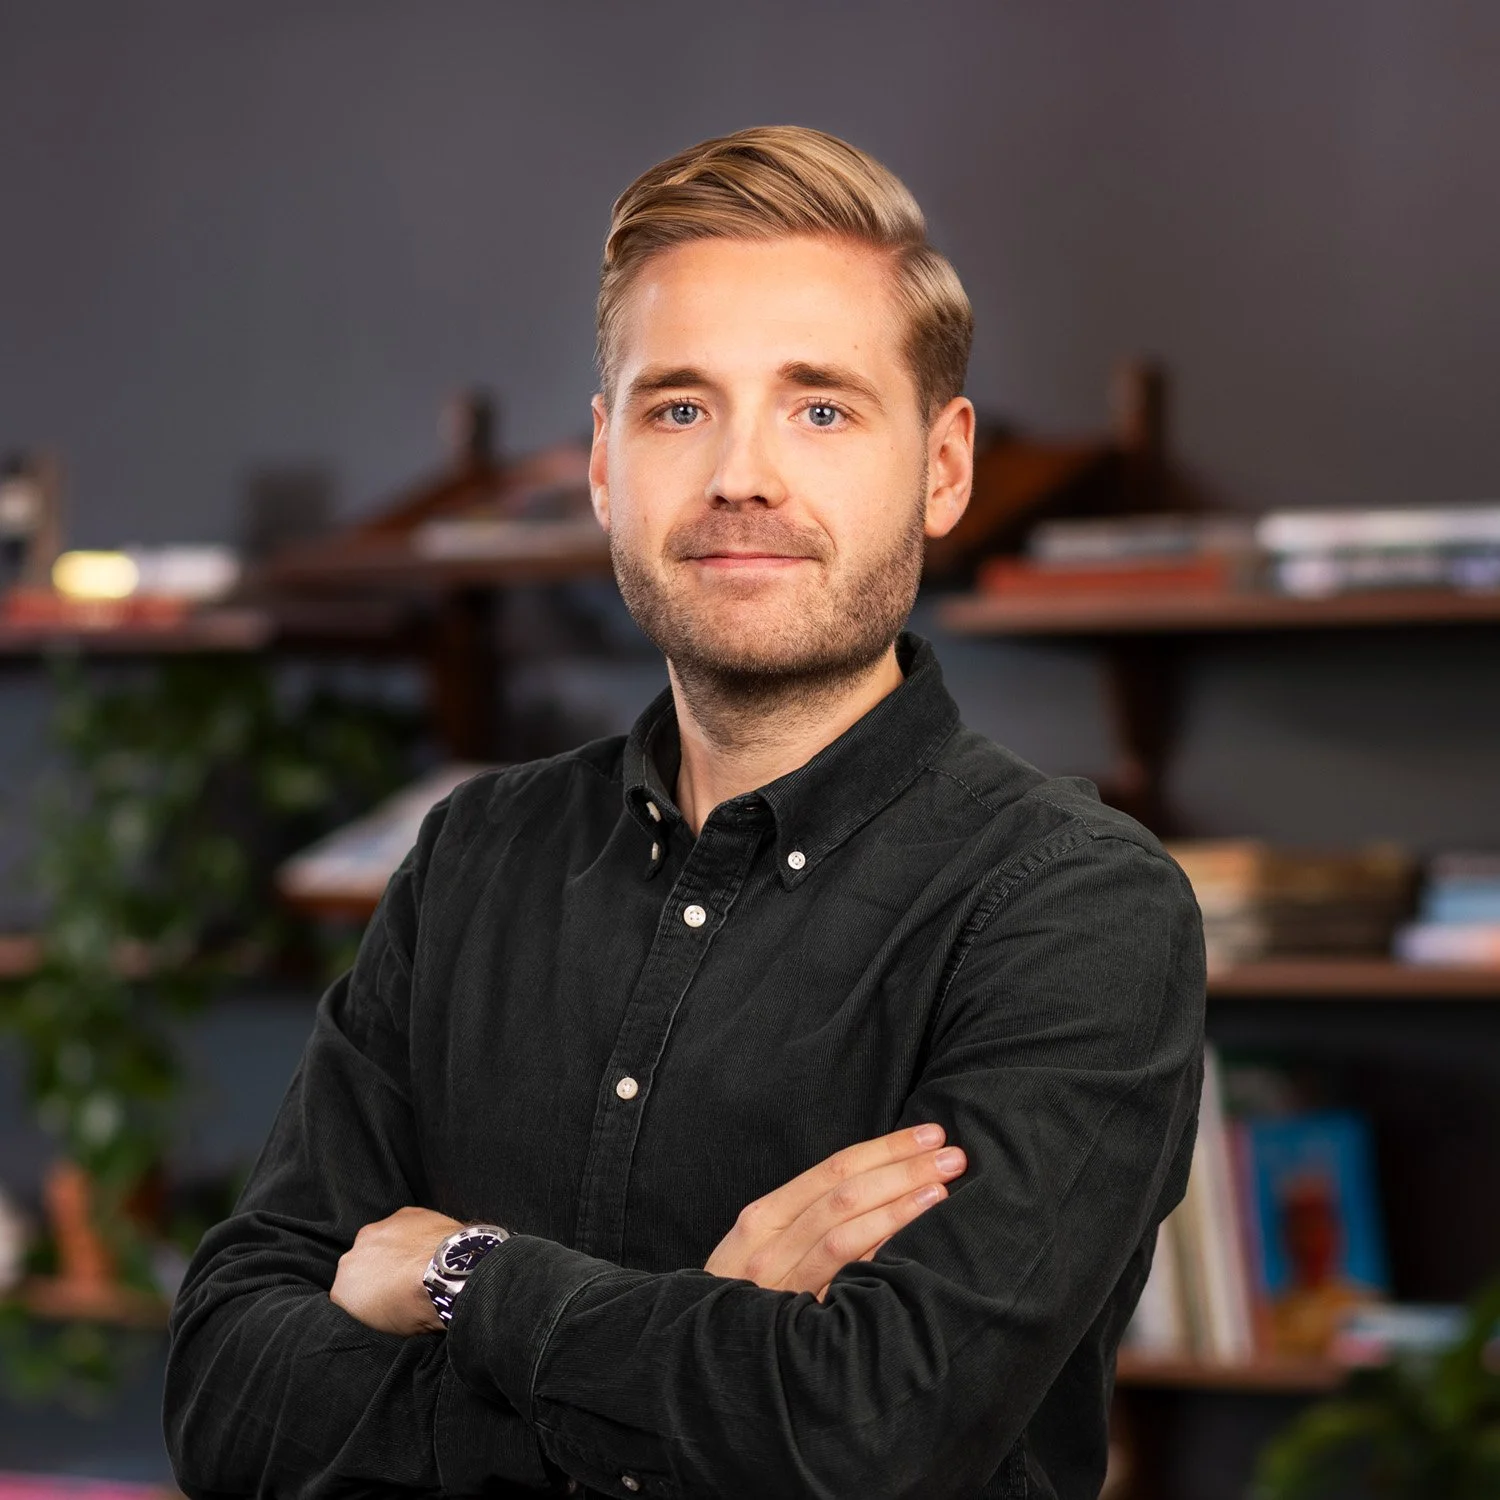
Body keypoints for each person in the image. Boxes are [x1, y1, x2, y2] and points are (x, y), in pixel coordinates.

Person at [164, 125, 1205, 1500]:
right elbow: (227, 1396)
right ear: (604, 464)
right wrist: (710, 1355)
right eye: (678, 408)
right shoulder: (473, 861)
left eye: (821, 408)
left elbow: (863, 1436)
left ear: (943, 468)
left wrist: (470, 1280)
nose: (741, 477)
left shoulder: (1074, 912)